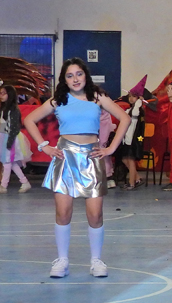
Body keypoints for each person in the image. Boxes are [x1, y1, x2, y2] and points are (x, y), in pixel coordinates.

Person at [23, 58, 130, 278]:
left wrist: (110, 148)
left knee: (95, 214)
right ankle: (62, 260)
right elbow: (30, 120)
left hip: (91, 157)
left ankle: (96, 260)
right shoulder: (58, 100)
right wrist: (45, 147)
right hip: (65, 157)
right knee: (63, 212)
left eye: (79, 74)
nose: (75, 79)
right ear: (64, 79)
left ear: (85, 75)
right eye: (70, 75)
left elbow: (124, 118)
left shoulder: (97, 97)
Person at [0, 84, 32, 193]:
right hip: (3, 137)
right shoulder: (4, 109)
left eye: (3, 93)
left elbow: (14, 127)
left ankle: (3, 185)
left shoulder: (13, 110)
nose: (1, 96)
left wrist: (9, 142)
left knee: (7, 162)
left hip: (10, 138)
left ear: (10, 95)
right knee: (11, 162)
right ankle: (24, 182)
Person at [119, 78, 147, 190]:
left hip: (133, 140)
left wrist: (140, 101)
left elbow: (135, 113)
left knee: (130, 161)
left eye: (134, 96)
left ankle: (132, 183)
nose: (131, 98)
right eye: (130, 96)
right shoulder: (129, 110)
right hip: (127, 139)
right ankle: (137, 178)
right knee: (124, 159)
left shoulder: (137, 110)